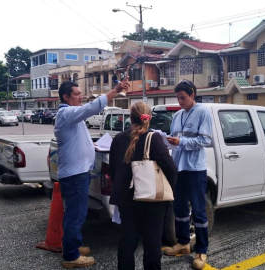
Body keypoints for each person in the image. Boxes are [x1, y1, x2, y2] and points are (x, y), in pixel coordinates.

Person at [54, 78, 130, 268]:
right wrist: (116, 90)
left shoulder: (71, 116)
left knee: (74, 213)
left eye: (81, 94)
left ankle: (73, 245)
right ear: (66, 97)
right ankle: (71, 256)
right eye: (77, 94)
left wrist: (93, 145)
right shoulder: (67, 113)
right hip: (74, 174)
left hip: (77, 172)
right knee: (76, 214)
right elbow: (92, 108)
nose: (81, 97)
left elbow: (78, 138)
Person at [109, 102, 177, 270]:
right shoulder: (154, 138)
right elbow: (171, 169)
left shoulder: (118, 139)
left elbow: (113, 169)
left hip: (126, 199)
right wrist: (169, 190)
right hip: (152, 200)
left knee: (127, 242)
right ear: (149, 118)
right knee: (152, 244)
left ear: (130, 118)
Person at [163, 80, 213, 270]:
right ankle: (183, 243)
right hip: (179, 168)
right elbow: (174, 137)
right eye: (177, 97)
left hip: (194, 169)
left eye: (183, 97)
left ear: (193, 94)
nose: (180, 101)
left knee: (199, 211)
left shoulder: (203, 112)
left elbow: (205, 140)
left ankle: (201, 250)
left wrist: (181, 142)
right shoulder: (177, 115)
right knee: (180, 209)